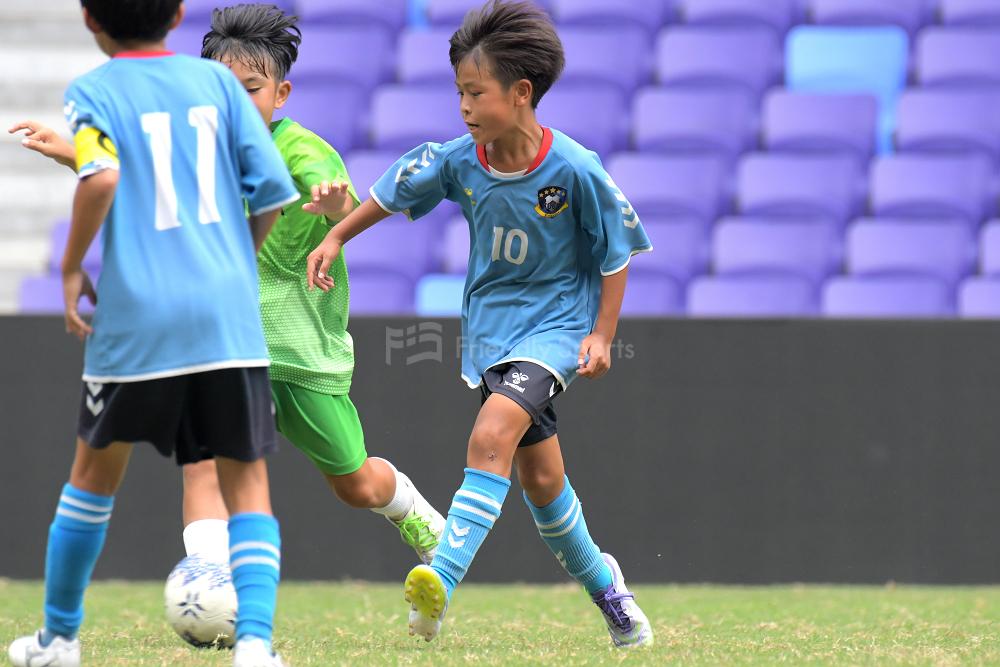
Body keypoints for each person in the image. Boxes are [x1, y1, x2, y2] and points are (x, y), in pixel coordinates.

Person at [11, 3, 445, 575]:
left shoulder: (302, 149)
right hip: (223, 341)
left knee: (356, 484)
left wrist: (334, 201)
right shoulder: (198, 149)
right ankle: (211, 584)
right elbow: (136, 174)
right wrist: (70, 152)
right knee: (202, 466)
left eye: (252, 89)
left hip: (300, 352)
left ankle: (414, 512)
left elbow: (335, 194)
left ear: (281, 94)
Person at [306, 0, 654, 649]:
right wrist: (336, 238)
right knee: (542, 485)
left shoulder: (575, 168)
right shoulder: (461, 160)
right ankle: (608, 588)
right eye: (459, 92)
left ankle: (439, 576)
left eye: (476, 92)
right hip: (492, 335)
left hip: (556, 330)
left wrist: (601, 334)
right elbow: (391, 191)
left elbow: (617, 251)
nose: (464, 107)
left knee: (491, 434)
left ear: (521, 93)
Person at [7, 0, 299, 665]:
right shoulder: (219, 84)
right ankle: (255, 646)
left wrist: (71, 264)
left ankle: (58, 639)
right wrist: (235, 262)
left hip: (138, 319)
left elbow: (102, 174)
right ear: (176, 13)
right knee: (247, 484)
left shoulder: (94, 90)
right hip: (225, 319)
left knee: (92, 478)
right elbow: (273, 190)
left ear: (90, 19)